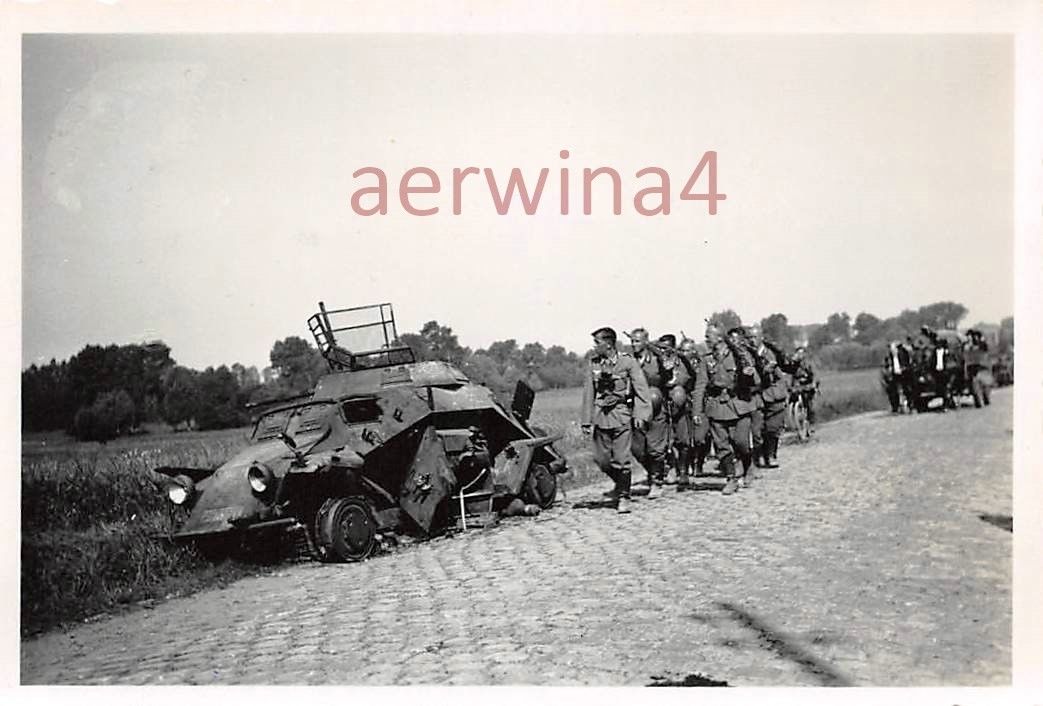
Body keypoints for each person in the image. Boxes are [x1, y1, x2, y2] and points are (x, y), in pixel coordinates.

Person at [581, 326, 652, 513]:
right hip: (601, 417)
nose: (594, 347)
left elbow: (641, 390)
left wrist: (640, 415)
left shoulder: (627, 363)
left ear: (609, 344)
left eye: (597, 343)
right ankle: (620, 485)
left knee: (621, 459)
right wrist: (586, 421)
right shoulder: (593, 364)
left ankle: (624, 496)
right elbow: (589, 393)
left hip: (621, 415)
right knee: (601, 459)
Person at [705, 325, 758, 494]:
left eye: (709, 336)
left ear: (720, 338)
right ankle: (731, 478)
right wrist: (698, 412)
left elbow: (756, 380)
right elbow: (700, 386)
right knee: (722, 446)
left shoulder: (740, 356)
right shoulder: (707, 359)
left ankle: (748, 464)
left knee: (741, 442)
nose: (706, 339)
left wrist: (748, 374)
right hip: (717, 407)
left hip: (739, 404)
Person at [627, 328, 671, 499]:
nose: (634, 344)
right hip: (636, 408)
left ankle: (656, 482)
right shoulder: (629, 361)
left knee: (655, 448)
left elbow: (669, 379)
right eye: (632, 341)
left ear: (646, 341)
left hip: (656, 406)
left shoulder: (657, 359)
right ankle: (654, 471)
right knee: (637, 448)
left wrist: (667, 369)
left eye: (637, 341)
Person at [747, 325, 789, 468]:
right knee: (756, 429)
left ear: (761, 338)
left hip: (772, 394)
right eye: (749, 338)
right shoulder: (748, 354)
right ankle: (757, 457)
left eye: (754, 337)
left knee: (772, 428)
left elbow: (778, 376)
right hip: (757, 395)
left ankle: (770, 455)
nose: (752, 341)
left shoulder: (770, 354)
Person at [656, 334, 695, 490]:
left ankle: (683, 470)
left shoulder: (681, 361)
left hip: (681, 406)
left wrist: (674, 381)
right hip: (663, 405)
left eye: (666, 348)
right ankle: (671, 467)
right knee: (666, 441)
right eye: (660, 348)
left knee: (683, 441)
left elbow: (687, 377)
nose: (662, 351)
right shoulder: (657, 362)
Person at [679, 337, 710, 486]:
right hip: (684, 403)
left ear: (693, 351)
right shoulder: (678, 365)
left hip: (701, 403)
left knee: (700, 438)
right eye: (682, 350)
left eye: (688, 350)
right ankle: (685, 470)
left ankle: (699, 463)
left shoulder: (701, 364)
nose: (685, 353)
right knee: (685, 439)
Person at [881, 340, 912, 414]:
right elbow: (886, 366)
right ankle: (896, 407)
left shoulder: (902, 354)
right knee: (894, 391)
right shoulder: (889, 357)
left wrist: (904, 368)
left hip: (903, 374)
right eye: (891, 349)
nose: (892, 350)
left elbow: (907, 363)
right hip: (894, 375)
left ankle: (909, 406)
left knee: (906, 389)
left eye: (893, 348)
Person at [790, 347, 818, 428]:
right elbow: (791, 377)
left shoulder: (809, 363)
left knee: (808, 403)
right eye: (798, 353)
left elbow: (815, 375)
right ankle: (795, 420)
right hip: (798, 387)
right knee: (791, 400)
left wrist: (814, 384)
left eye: (802, 353)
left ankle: (811, 422)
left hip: (808, 386)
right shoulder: (793, 364)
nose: (800, 355)